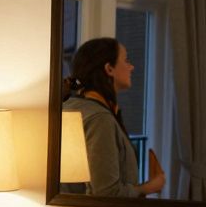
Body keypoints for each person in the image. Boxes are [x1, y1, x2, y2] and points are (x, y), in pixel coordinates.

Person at [61, 37, 165, 198]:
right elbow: (106, 194)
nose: (132, 67)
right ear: (109, 69)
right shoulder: (99, 119)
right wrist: (150, 187)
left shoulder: (73, 108)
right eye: (126, 60)